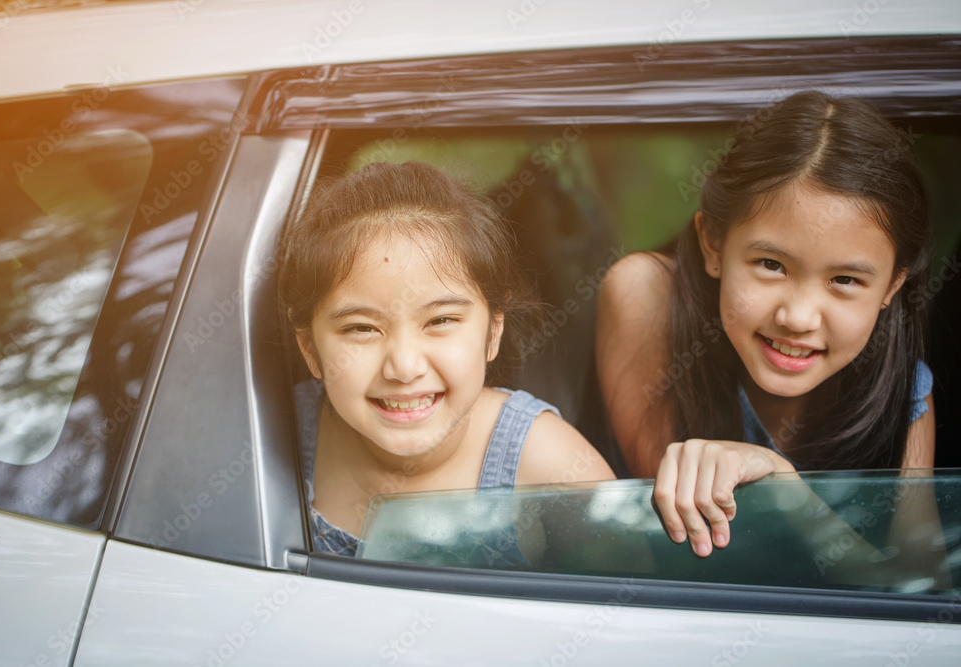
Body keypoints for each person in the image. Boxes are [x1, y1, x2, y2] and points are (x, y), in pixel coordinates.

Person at [597, 91, 935, 558]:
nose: (797, 317)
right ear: (713, 245)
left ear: (892, 286)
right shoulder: (647, 293)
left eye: (844, 279)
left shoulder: (905, 390)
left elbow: (920, 588)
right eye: (771, 265)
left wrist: (782, 483)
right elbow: (697, 543)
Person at [279, 161, 615, 557]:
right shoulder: (269, 436)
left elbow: (638, 603)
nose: (404, 367)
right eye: (361, 328)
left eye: (440, 320)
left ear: (493, 331)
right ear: (310, 350)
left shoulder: (546, 460)